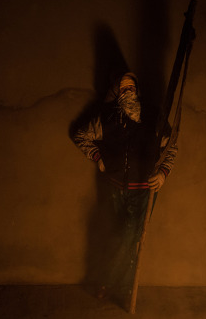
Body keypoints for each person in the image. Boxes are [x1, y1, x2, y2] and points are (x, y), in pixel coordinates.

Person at [72, 72, 178, 305]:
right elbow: (80, 134)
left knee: (131, 237)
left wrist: (163, 174)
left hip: (144, 191)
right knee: (117, 235)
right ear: (117, 92)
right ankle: (118, 285)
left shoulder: (153, 117)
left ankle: (111, 283)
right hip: (115, 189)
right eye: (123, 88)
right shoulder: (107, 118)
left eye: (132, 87)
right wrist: (97, 157)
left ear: (137, 91)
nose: (128, 91)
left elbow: (171, 146)